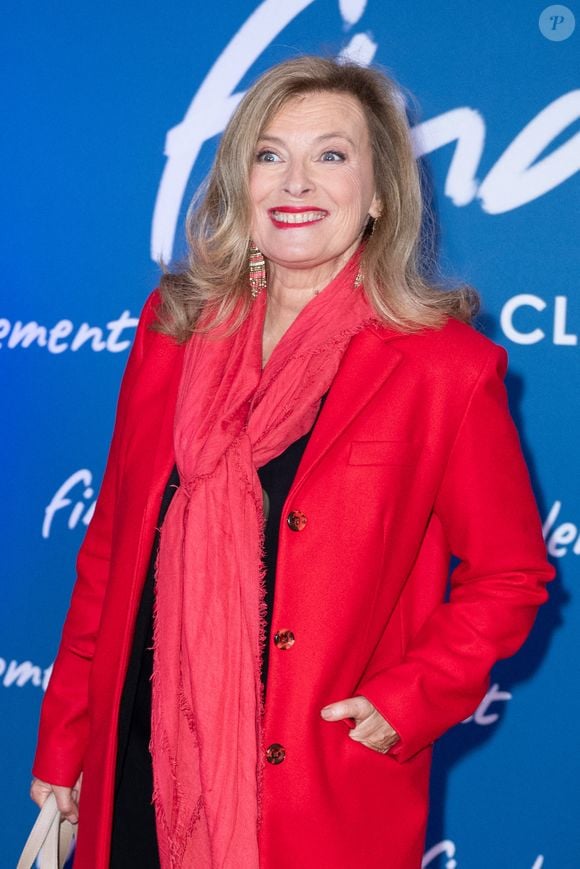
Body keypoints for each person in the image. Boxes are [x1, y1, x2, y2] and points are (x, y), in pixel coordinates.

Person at [30, 56, 554, 869]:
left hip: (316, 787)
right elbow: (112, 549)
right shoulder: (173, 328)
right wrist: (66, 740)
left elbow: (511, 573)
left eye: (331, 155)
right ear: (241, 182)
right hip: (141, 762)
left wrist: (407, 698)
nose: (295, 182)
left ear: (380, 194)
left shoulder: (444, 367)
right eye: (269, 155)